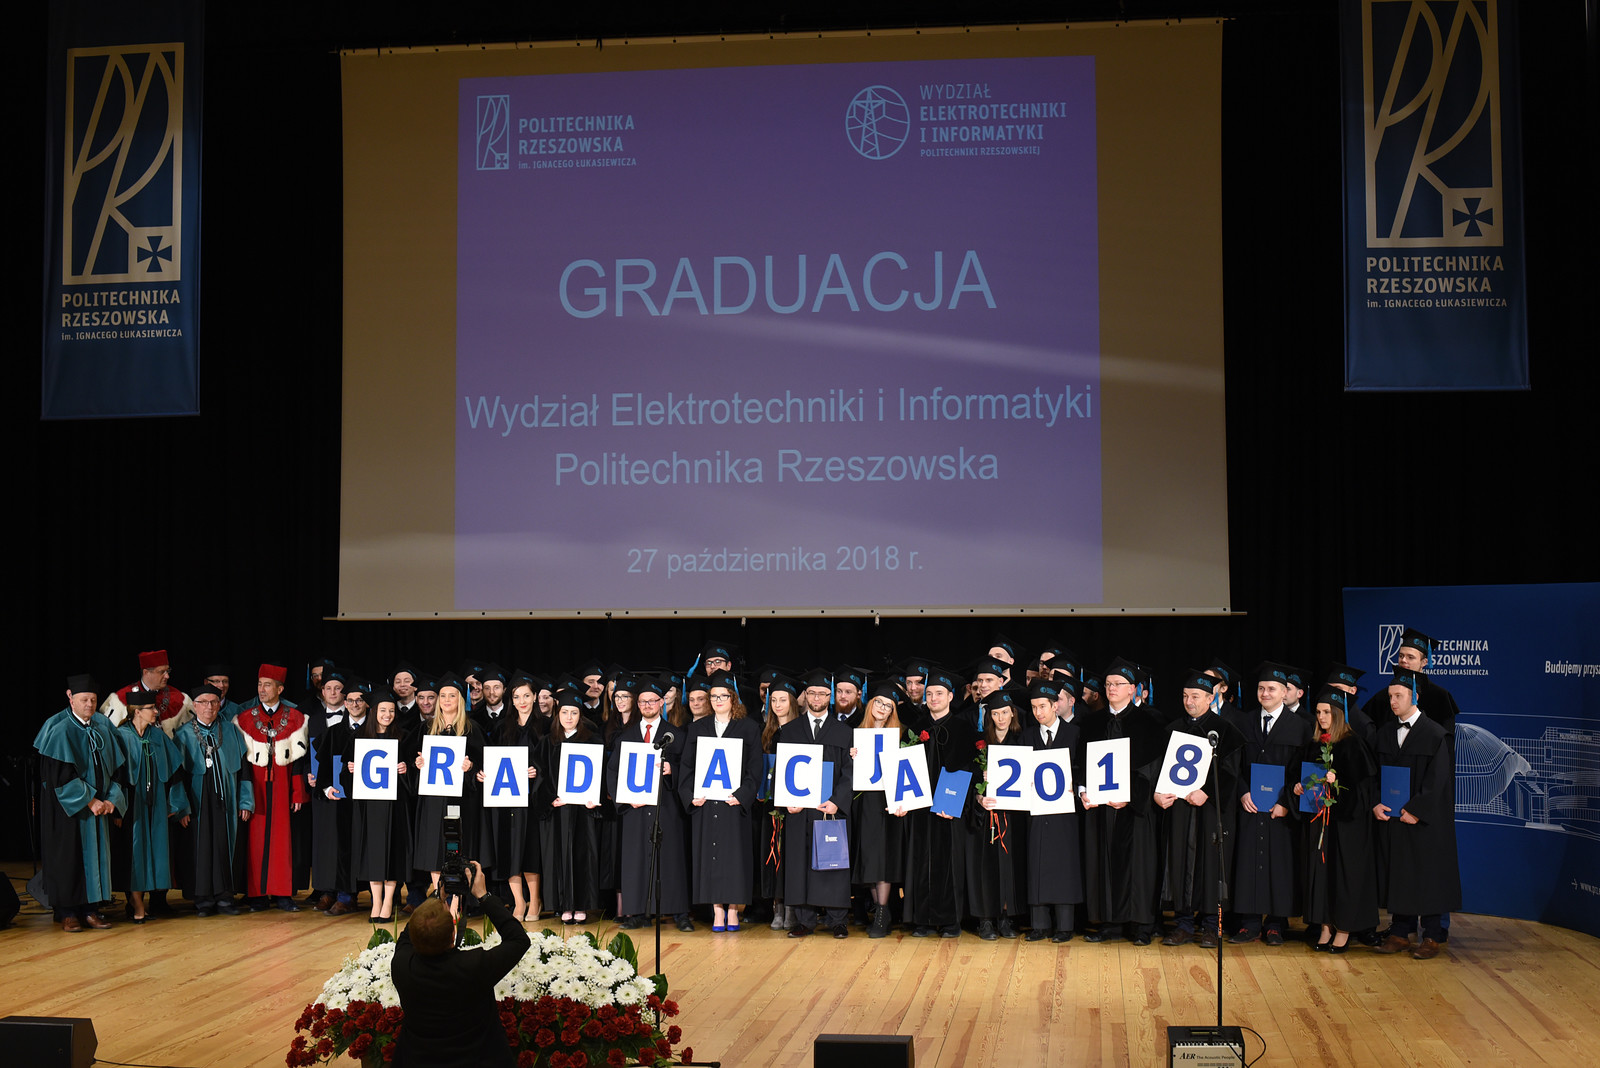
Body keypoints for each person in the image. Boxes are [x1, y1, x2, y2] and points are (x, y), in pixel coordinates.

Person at [391, 859, 530, 1068]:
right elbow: (519, 940)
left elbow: (411, 930)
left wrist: (438, 896)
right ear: (453, 935)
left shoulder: (403, 965)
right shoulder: (473, 966)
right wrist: (483, 895)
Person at [1371, 669, 1460, 960]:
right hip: (1394, 818)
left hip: (1423, 821)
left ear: (1415, 697)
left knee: (1428, 874)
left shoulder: (1435, 734)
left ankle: (1431, 935)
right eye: (1390, 696)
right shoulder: (1384, 733)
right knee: (1400, 872)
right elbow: (1373, 774)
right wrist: (1375, 802)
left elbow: (1439, 779)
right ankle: (1399, 932)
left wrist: (1417, 809)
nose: (1393, 702)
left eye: (1399, 696)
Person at [1079, 657, 1167, 945]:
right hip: (1101, 808)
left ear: (1133, 689)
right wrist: (1083, 790)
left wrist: (1128, 797)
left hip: (1136, 808)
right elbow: (1080, 763)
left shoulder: (1149, 723)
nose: (1111, 688)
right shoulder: (1092, 722)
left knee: (1138, 864)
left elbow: (1153, 768)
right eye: (1108, 684)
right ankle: (1109, 923)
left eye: (1118, 684)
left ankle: (1141, 925)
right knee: (1103, 862)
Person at [1156, 671, 1244, 948]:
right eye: (1185, 696)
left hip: (1208, 810)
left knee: (1209, 863)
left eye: (1195, 696)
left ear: (1210, 698)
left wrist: (1207, 792)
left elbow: (1231, 771)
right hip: (1180, 809)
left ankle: (1210, 926)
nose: (1189, 701)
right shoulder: (1172, 729)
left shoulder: (1225, 730)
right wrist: (1158, 793)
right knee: (1180, 860)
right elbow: (1161, 767)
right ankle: (1183, 924)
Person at [1225, 662, 1311, 945]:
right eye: (1261, 688)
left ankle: (1276, 924)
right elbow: (1232, 763)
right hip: (1250, 805)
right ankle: (1249, 924)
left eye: (1271, 689)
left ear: (1285, 692)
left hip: (1281, 809)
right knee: (1248, 862)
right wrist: (1242, 792)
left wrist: (1287, 801)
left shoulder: (1301, 727)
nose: (1265, 693)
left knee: (1280, 864)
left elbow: (1303, 770)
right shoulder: (1243, 722)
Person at [35, 674, 127, 931]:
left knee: (97, 859)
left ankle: (91, 909)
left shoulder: (102, 727)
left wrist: (112, 799)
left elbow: (119, 769)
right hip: (69, 813)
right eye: (84, 699)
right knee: (68, 859)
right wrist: (90, 800)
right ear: (71, 698)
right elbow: (59, 777)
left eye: (93, 700)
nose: (89, 704)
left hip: (98, 810)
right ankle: (67, 913)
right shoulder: (59, 729)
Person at [1293, 687, 1378, 953]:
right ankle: (1325, 926)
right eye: (1318, 712)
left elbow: (1364, 789)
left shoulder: (1353, 744)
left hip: (1347, 825)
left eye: (1327, 712)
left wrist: (1337, 783)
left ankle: (1344, 929)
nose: (1321, 717)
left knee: (1344, 875)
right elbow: (1303, 776)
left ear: (1338, 714)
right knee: (1321, 874)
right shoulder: (1314, 744)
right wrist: (1299, 786)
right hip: (1321, 823)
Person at [607, 679, 694, 932]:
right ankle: (637, 912)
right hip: (635, 809)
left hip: (666, 807)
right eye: (643, 702)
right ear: (638, 704)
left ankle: (679, 912)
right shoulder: (626, 738)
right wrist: (625, 799)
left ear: (661, 703)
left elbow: (690, 769)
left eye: (652, 701)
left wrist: (672, 770)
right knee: (636, 861)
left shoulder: (676, 736)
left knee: (671, 859)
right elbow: (612, 773)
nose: (647, 705)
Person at [679, 674, 763, 931]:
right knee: (710, 857)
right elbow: (687, 767)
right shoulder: (698, 728)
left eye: (722, 696)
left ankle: (734, 909)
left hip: (733, 803)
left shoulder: (748, 727)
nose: (717, 700)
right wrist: (690, 795)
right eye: (713, 696)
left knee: (734, 857)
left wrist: (742, 795)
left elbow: (755, 767)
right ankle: (717, 910)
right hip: (706, 804)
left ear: (733, 698)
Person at [778, 673, 855, 939]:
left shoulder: (844, 732)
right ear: (805, 696)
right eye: (812, 693)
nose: (817, 698)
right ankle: (805, 921)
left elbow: (850, 771)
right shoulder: (790, 731)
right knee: (800, 863)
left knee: (833, 863)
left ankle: (838, 920)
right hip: (800, 810)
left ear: (829, 697)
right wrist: (788, 801)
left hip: (829, 809)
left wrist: (837, 801)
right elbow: (783, 770)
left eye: (822, 693)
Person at [902, 666, 975, 938]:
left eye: (939, 693)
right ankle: (922, 920)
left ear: (950, 696)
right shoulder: (915, 729)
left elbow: (969, 768)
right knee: (920, 861)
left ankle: (950, 921)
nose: (933, 698)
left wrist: (955, 805)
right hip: (920, 809)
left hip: (949, 809)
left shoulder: (964, 729)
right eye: (930, 693)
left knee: (950, 863)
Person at [172, 683, 253, 916]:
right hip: (197, 802)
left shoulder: (230, 731)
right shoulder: (183, 734)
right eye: (204, 702)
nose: (209, 707)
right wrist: (181, 808)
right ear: (195, 706)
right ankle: (203, 900)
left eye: (214, 702)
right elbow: (177, 776)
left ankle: (225, 897)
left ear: (219, 705)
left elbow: (244, 770)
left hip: (226, 800)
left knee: (224, 846)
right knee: (200, 848)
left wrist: (245, 802)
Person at [111, 690, 191, 923]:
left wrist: (176, 803)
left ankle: (143, 901)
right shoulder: (120, 736)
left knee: (154, 854)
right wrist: (117, 809)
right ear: (137, 712)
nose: (156, 712)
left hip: (156, 806)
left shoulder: (158, 736)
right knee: (134, 854)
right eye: (151, 708)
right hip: (131, 806)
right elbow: (115, 775)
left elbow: (175, 771)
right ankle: (136, 903)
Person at [236, 663, 310, 912]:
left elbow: (299, 761)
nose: (262, 689)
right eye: (260, 684)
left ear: (280, 689)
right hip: (256, 786)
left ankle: (282, 893)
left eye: (267, 685)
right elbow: (242, 763)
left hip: (282, 785)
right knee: (256, 841)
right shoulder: (244, 719)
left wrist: (297, 792)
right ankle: (257, 894)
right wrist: (245, 797)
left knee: (282, 840)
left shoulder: (296, 718)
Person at [1019, 678, 1083, 943]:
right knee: (1037, 862)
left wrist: (1077, 787)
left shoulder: (1074, 734)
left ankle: (1065, 925)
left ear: (1056, 706)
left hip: (1065, 812)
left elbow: (1082, 768)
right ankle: (1040, 924)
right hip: (1036, 811)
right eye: (1034, 707)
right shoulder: (1027, 736)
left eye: (1042, 706)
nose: (1038, 712)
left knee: (1064, 864)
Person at [412, 675, 485, 898]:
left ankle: (458, 900)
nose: (446, 699)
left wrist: (471, 767)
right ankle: (438, 896)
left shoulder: (472, 729)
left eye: (451, 695)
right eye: (442, 695)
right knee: (434, 848)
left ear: (460, 699)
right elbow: (414, 762)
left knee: (456, 846)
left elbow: (483, 765)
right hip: (433, 798)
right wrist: (418, 764)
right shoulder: (426, 728)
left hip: (461, 799)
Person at [477, 676, 543, 921]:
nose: (522, 701)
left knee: (529, 851)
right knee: (509, 851)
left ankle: (535, 899)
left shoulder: (545, 727)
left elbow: (551, 762)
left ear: (535, 697)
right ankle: (519, 901)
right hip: (506, 799)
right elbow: (491, 760)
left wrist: (537, 771)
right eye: (516, 697)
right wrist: (483, 774)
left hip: (532, 801)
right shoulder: (501, 728)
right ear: (511, 700)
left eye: (526, 695)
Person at [347, 690, 415, 924]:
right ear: (374, 711)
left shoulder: (404, 737)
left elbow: (415, 771)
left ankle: (388, 903)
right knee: (372, 853)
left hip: (395, 806)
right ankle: (376, 902)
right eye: (383, 710)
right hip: (369, 807)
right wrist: (351, 769)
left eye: (392, 711)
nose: (388, 715)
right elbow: (346, 773)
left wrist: (406, 769)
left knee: (393, 851)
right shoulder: (359, 738)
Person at [967, 688, 1025, 940]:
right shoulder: (979, 743)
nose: (1000, 718)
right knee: (985, 868)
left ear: (1013, 714)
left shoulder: (1023, 741)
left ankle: (1006, 916)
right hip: (985, 818)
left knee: (1008, 868)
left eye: (1005, 712)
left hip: (1012, 818)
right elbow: (969, 781)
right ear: (989, 716)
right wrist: (979, 797)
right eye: (995, 713)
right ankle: (985, 920)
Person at [849, 681, 905, 938]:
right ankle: (881, 911)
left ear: (893, 711)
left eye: (888, 705)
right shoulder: (855, 735)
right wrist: (851, 757)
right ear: (870, 704)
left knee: (883, 858)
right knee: (869, 858)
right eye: (879, 702)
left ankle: (882, 912)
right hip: (864, 803)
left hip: (888, 803)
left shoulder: (901, 737)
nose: (882, 708)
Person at [541, 691, 603, 923]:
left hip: (583, 811)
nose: (569, 717)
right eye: (565, 712)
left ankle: (581, 905)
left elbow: (600, 774)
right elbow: (541, 776)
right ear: (558, 714)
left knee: (582, 855)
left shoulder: (592, 741)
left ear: (580, 715)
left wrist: (594, 797)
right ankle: (564, 905)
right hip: (559, 810)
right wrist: (550, 798)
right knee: (559, 856)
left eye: (574, 713)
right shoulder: (548, 742)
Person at [757, 676, 801, 930]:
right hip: (770, 802)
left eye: (782, 699)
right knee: (773, 854)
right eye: (773, 700)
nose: (777, 705)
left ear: (792, 702)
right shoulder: (766, 733)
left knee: (791, 855)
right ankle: (778, 906)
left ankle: (792, 906)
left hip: (794, 803)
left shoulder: (801, 732)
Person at [102, 649, 193, 735]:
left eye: (167, 671)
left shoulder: (179, 698)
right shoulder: (121, 699)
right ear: (146, 672)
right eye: (161, 672)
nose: (167, 676)